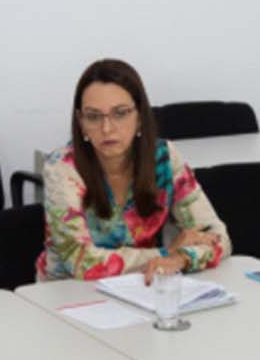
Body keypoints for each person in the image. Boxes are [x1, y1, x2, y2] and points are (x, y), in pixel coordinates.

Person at [36, 58, 232, 283]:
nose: (107, 128)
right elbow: (81, 262)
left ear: (139, 117)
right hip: (66, 292)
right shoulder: (62, 168)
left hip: (141, 287)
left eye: (120, 113)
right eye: (93, 117)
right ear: (81, 123)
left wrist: (183, 259)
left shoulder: (164, 158)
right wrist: (167, 252)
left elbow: (218, 237)